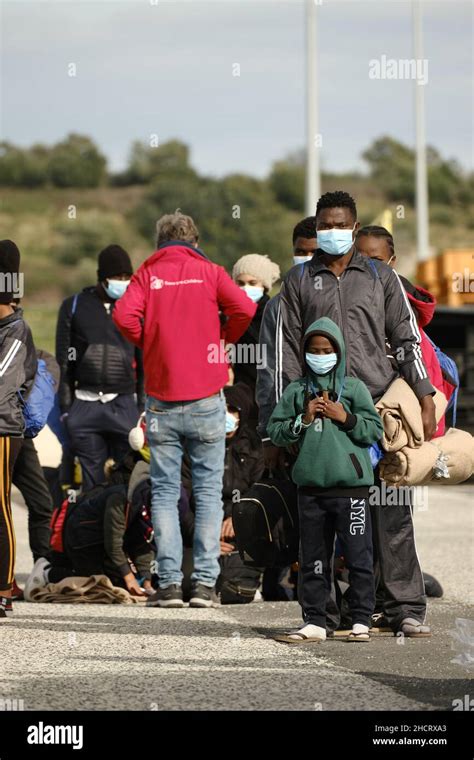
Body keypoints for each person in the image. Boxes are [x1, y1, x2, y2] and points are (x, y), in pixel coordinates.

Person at [269, 191, 437, 637]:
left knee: (390, 511)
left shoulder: (382, 278)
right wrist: (290, 418)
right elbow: (285, 353)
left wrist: (422, 394)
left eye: (341, 225)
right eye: (325, 224)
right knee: (324, 518)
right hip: (321, 415)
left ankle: (402, 605)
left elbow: (406, 339)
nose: (332, 232)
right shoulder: (300, 280)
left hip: (376, 411)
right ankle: (324, 614)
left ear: (355, 228)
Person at [113, 210, 256, 608]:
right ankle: (206, 586)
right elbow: (244, 308)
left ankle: (171, 584)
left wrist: (152, 343)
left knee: (163, 491)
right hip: (207, 396)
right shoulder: (210, 271)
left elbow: (124, 316)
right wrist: (223, 337)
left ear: (161, 241)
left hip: (162, 399)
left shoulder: (148, 272)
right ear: (194, 241)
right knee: (209, 492)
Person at [268, 318, 383, 642]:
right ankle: (316, 620)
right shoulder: (295, 391)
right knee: (313, 559)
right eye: (314, 351)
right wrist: (301, 420)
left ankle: (361, 619)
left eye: (327, 350)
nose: (321, 355)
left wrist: (344, 416)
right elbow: (275, 433)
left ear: (339, 351)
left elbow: (374, 431)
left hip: (352, 490)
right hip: (311, 491)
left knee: (359, 555)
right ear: (304, 353)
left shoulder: (355, 389)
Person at [55, 245, 144, 493]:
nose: (124, 283)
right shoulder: (73, 306)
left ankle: (122, 529)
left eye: (128, 278)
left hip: (124, 404)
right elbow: (63, 361)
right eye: (118, 278)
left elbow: (144, 362)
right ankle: (90, 526)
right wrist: (66, 410)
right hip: (85, 404)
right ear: (102, 278)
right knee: (91, 484)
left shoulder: (135, 307)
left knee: (126, 478)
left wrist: (141, 408)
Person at [356, 225, 453, 437]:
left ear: (393, 262)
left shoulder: (407, 317)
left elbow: (420, 367)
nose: (368, 267)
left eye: (376, 260)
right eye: (359, 258)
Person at [256, 216, 317, 470]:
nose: (306, 257)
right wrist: (272, 434)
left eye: (314, 252)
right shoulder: (278, 306)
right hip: (295, 425)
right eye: (300, 252)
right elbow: (271, 372)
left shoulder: (348, 296)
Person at [0, 240, 37, 620]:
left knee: (0, 506)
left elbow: (2, 381)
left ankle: (4, 587)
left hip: (2, 429)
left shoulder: (16, 331)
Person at [218, 383, 265, 603]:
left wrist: (237, 518)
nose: (227, 416)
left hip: (241, 532)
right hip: (204, 534)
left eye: (233, 410)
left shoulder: (255, 448)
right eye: (222, 409)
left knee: (235, 588)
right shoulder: (199, 446)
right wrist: (206, 533)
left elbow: (258, 492)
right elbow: (188, 496)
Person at [231, 254, 280, 406]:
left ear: (264, 286)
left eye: (252, 283)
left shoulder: (275, 313)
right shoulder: (229, 315)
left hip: (269, 392)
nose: (246, 288)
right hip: (239, 393)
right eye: (240, 283)